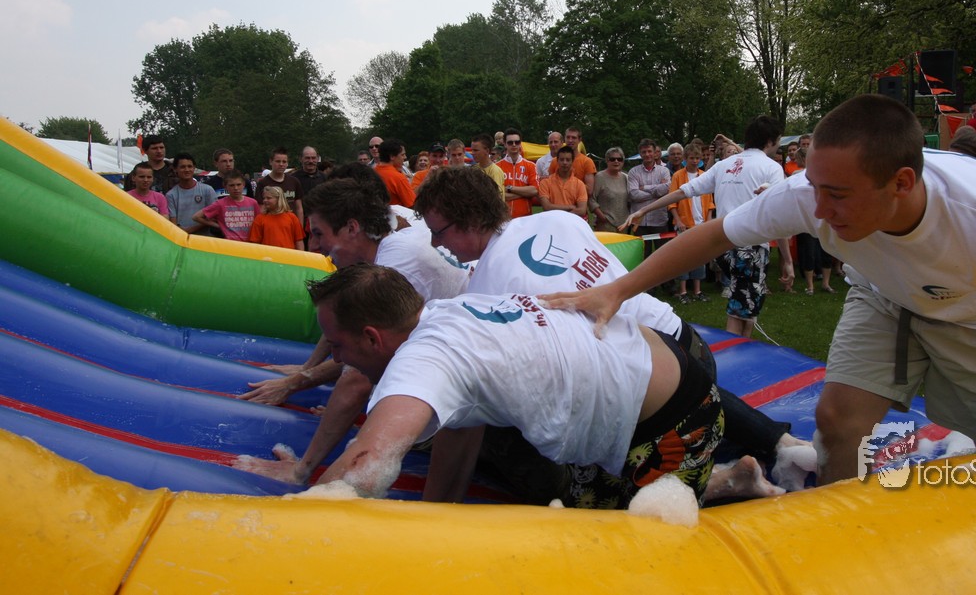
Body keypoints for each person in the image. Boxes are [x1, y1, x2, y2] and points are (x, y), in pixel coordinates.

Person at [541, 94, 976, 487]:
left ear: (901, 183)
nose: (817, 209)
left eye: (836, 195)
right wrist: (616, 291)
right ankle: (838, 539)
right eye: (814, 187)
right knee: (837, 422)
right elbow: (712, 236)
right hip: (885, 294)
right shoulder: (811, 195)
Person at [414, 166, 808, 497]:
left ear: (469, 220)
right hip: (685, 343)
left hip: (658, 395)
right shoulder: (557, 220)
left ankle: (715, 481)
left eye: (439, 231)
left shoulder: (490, 290)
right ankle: (780, 442)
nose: (435, 243)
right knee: (685, 382)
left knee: (546, 447)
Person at [279, 264, 722, 508]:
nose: (337, 360)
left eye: (337, 345)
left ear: (373, 337)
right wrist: (431, 524)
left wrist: (291, 524)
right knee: (585, 509)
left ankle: (715, 480)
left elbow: (365, 466)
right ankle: (732, 478)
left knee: (629, 553)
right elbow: (462, 423)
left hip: (676, 419)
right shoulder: (450, 312)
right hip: (647, 372)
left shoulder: (423, 358)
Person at [233, 178, 468, 485]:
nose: (315, 246)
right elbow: (344, 316)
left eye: (319, 234)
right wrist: (306, 369)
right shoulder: (393, 221)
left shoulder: (396, 264)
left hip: (470, 404)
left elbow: (355, 376)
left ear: (352, 228)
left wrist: (302, 469)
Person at [621, 116, 790, 338]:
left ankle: (740, 347)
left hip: (722, 246)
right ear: (770, 141)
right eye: (778, 140)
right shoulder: (772, 168)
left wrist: (643, 210)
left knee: (745, 310)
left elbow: (683, 191)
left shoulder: (724, 165)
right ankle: (734, 354)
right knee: (740, 313)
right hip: (751, 249)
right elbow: (778, 215)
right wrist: (787, 260)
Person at [668, 143, 715, 303]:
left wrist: (708, 220)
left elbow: (710, 202)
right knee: (683, 257)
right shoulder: (678, 176)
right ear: (685, 159)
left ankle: (697, 290)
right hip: (684, 223)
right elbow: (672, 202)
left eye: (697, 158)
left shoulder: (704, 176)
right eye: (692, 158)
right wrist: (678, 220)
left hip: (700, 223)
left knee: (699, 257)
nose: (695, 161)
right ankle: (682, 291)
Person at [192, 170, 259, 241]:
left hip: (250, 243)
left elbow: (258, 222)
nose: (236, 188)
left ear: (243, 185)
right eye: (231, 185)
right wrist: (219, 226)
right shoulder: (220, 204)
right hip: (230, 243)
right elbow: (196, 217)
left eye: (238, 184)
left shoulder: (253, 203)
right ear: (225, 187)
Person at [626, 138, 672, 241]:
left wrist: (645, 188)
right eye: (644, 152)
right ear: (640, 154)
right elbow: (634, 194)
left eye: (649, 151)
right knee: (643, 250)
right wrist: (657, 193)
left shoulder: (664, 171)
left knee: (662, 250)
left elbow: (666, 189)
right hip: (639, 222)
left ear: (655, 153)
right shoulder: (633, 172)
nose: (647, 154)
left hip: (659, 219)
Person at [166, 153, 216, 233]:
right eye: (182, 167)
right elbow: (173, 223)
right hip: (181, 238)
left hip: (205, 238)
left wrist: (189, 230)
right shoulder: (171, 195)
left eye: (189, 166)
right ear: (175, 169)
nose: (187, 170)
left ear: (194, 168)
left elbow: (213, 216)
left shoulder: (207, 190)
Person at [497, 128, 539, 219]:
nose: (514, 145)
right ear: (505, 144)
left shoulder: (531, 166)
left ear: (520, 143)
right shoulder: (497, 167)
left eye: (517, 142)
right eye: (510, 142)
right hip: (503, 218)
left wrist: (509, 188)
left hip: (525, 218)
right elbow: (497, 195)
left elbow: (534, 190)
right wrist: (524, 193)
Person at [255, 148, 304, 224]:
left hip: (291, 225)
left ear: (287, 163)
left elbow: (299, 208)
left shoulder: (294, 181)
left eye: (284, 162)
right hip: (272, 225)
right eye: (278, 161)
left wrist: (300, 226)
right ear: (271, 162)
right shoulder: (263, 183)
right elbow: (261, 209)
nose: (281, 164)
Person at [537, 145, 588, 218]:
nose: (564, 162)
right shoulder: (545, 183)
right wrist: (570, 207)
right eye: (562, 159)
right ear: (557, 161)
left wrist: (562, 215)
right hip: (552, 222)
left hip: (571, 223)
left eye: (568, 160)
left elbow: (582, 210)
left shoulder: (579, 184)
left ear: (572, 161)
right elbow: (546, 207)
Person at [249, 186, 306, 250]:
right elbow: (255, 243)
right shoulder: (259, 219)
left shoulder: (292, 217)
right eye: (264, 198)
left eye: (269, 198)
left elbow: (299, 241)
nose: (265, 200)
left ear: (279, 199)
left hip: (288, 255)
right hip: (267, 255)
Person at [591, 147, 630, 232]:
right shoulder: (599, 177)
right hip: (605, 224)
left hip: (624, 225)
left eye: (619, 159)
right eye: (612, 159)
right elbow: (591, 199)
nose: (616, 161)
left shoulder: (626, 178)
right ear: (607, 160)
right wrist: (602, 217)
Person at [374, 138, 416, 208]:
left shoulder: (372, 173)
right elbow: (412, 204)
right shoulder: (398, 178)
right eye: (402, 155)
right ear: (392, 156)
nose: (405, 157)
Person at [469, 133, 506, 199]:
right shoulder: (473, 169)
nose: (472, 153)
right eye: (472, 150)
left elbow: (496, 197)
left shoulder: (495, 171)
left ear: (487, 151)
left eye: (476, 150)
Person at [564, 126, 596, 199]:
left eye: (573, 138)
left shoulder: (587, 161)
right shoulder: (555, 161)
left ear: (579, 140)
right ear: (564, 139)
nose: (570, 140)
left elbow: (589, 190)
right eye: (568, 137)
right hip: (558, 204)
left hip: (578, 203)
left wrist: (568, 183)